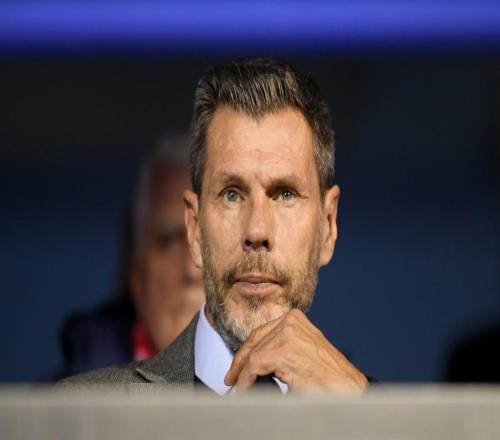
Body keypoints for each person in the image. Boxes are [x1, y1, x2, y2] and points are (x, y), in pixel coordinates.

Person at [62, 58, 368, 394]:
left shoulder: (371, 410)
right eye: (232, 195)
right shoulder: (82, 410)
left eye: (285, 194)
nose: (256, 231)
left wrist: (365, 409)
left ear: (327, 226)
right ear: (194, 228)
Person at [57, 138, 205, 378]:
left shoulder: (274, 387)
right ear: (136, 275)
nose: (193, 270)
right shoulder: (56, 401)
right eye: (168, 241)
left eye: (212, 238)